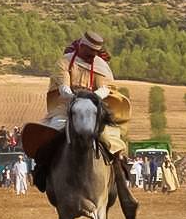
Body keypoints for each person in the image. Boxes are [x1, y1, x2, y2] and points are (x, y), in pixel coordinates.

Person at [31, 32, 131, 192]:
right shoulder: (65, 61)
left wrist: (91, 97)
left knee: (110, 136)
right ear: (82, 46)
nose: (93, 56)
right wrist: (76, 98)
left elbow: (106, 88)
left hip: (93, 107)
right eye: (90, 52)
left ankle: (119, 170)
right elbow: (63, 88)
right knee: (54, 132)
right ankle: (42, 169)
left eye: (95, 53)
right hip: (66, 107)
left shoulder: (100, 65)